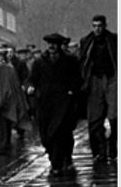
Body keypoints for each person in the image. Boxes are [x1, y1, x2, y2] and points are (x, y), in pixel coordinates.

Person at [28, 33, 83, 174]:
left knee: (59, 132)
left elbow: (77, 79)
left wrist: (72, 91)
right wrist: (31, 87)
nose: (51, 46)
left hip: (63, 103)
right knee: (46, 135)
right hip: (45, 102)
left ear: (59, 45)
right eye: (49, 43)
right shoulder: (39, 62)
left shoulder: (70, 61)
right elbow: (33, 79)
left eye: (54, 43)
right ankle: (54, 156)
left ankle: (56, 164)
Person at [78, 14, 118, 162]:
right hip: (94, 80)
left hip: (112, 78)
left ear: (105, 26)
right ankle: (99, 151)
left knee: (114, 117)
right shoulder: (87, 41)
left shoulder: (114, 40)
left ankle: (112, 148)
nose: (97, 29)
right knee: (94, 119)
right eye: (94, 26)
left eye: (100, 26)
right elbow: (82, 62)